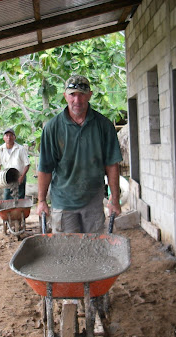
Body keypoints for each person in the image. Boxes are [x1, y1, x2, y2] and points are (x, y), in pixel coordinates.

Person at [36, 75, 122, 233]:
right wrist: (41, 200)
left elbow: (111, 165)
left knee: (94, 249)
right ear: (65, 96)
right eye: (72, 94)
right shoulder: (52, 128)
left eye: (82, 94)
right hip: (63, 203)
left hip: (93, 202)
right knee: (67, 252)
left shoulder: (104, 126)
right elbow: (45, 168)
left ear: (90, 95)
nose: (77, 100)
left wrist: (114, 199)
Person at [0, 128, 30, 200]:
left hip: (19, 176)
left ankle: (19, 211)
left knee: (20, 198)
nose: (8, 137)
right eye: (6, 135)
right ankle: (9, 211)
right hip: (7, 177)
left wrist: (22, 177)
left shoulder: (20, 149)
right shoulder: (0, 149)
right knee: (7, 198)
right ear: (3, 138)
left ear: (14, 137)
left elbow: (27, 165)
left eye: (11, 135)